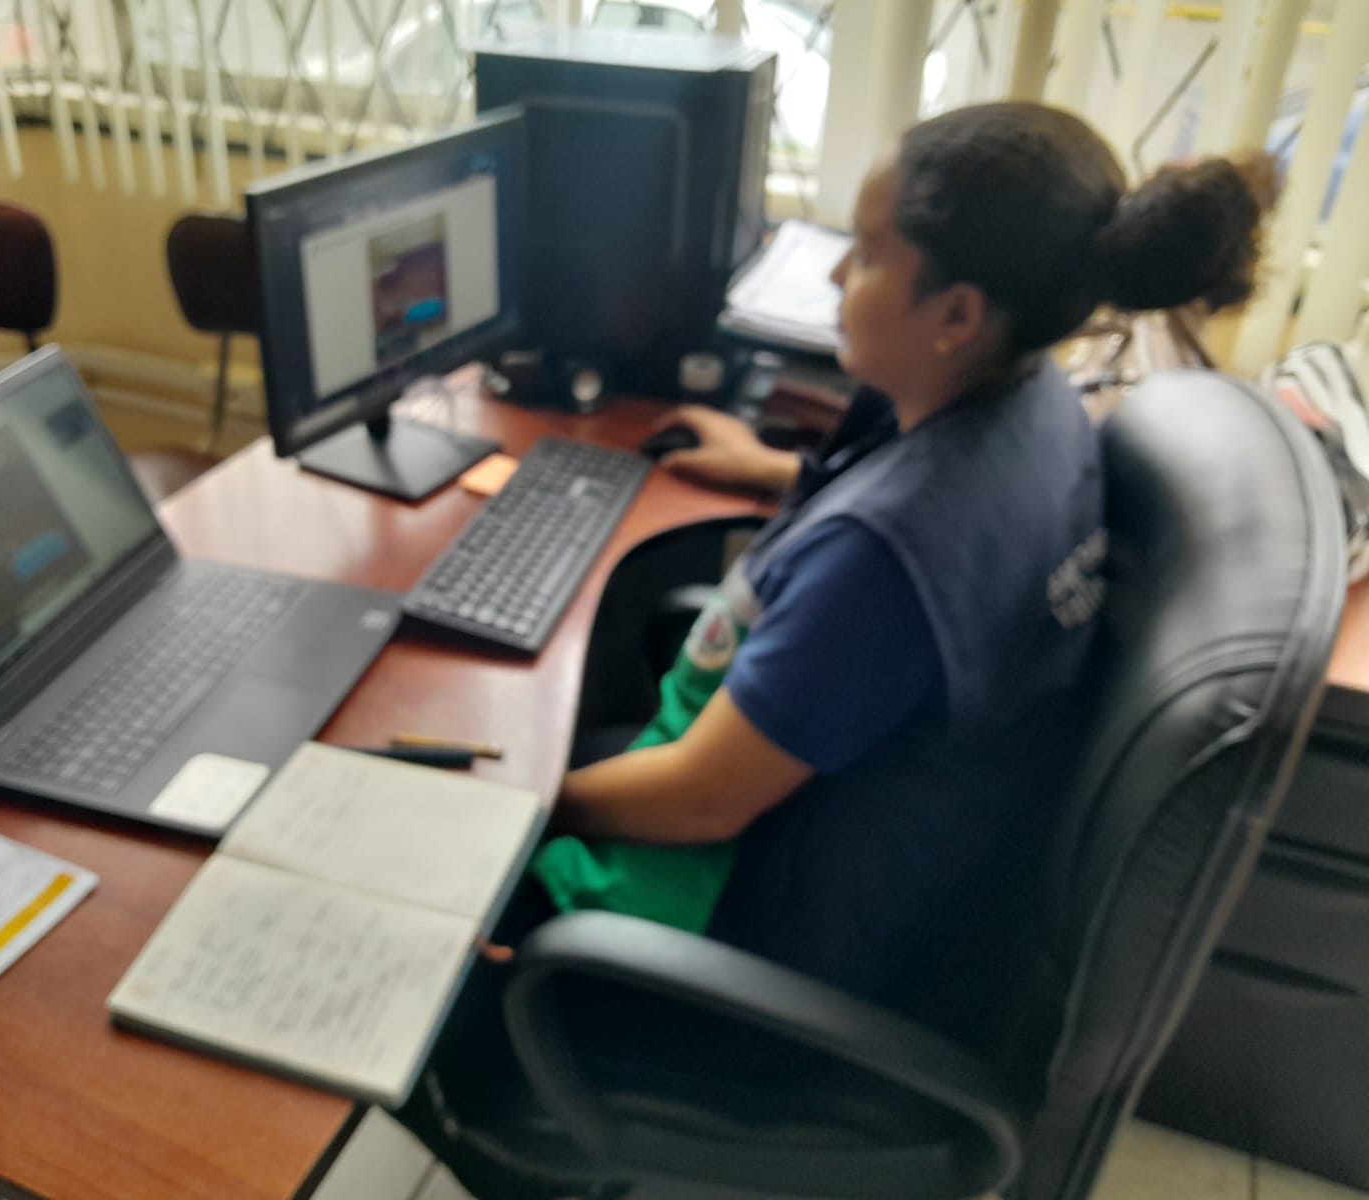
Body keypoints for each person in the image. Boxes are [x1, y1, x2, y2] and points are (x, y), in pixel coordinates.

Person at [397, 101, 1270, 1198]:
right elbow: (911, 519)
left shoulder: (887, 559)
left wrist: (517, 807)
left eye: (865, 252)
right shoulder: (1031, 406)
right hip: (873, 869)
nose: (833, 276)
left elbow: (699, 801)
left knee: (406, 921)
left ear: (955, 313)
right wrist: (768, 469)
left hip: (748, 947)